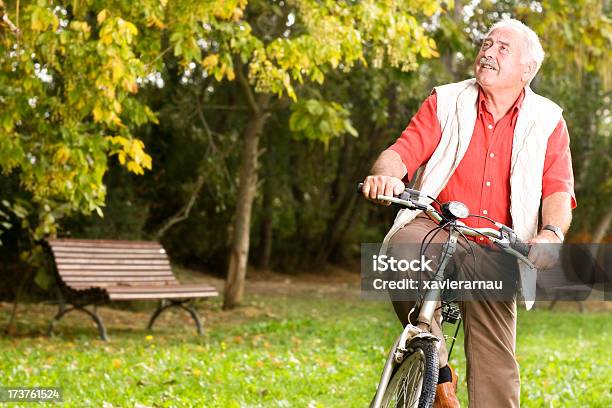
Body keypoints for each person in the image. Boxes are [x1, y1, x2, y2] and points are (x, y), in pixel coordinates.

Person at [361, 18, 575, 407]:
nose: (487, 52)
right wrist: (384, 177)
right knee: (401, 253)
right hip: (437, 223)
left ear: (527, 69)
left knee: (497, 360)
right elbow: (401, 152)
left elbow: (558, 189)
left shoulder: (548, 120)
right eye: (485, 44)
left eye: (501, 48)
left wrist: (551, 234)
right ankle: (438, 375)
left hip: (498, 242)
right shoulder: (446, 99)